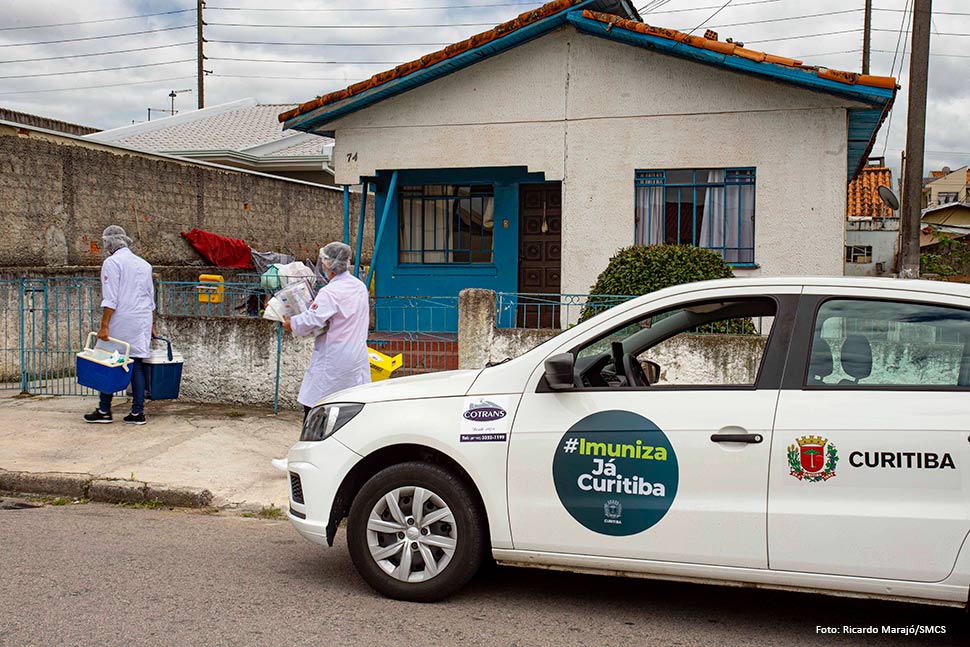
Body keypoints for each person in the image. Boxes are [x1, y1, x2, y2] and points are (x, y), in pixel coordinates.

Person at [282, 242, 370, 420]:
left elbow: (312, 320)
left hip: (334, 358)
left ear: (328, 264)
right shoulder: (359, 286)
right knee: (350, 407)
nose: (322, 265)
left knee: (318, 407)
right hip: (356, 356)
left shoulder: (330, 292)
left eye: (323, 261)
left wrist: (292, 324)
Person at [83, 225, 156, 425]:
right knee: (137, 364)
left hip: (122, 319)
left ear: (110, 243)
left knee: (109, 361)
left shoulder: (112, 262)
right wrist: (151, 324)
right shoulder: (144, 264)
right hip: (141, 319)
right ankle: (137, 413)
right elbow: (150, 296)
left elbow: (111, 298)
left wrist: (104, 325)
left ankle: (105, 410)